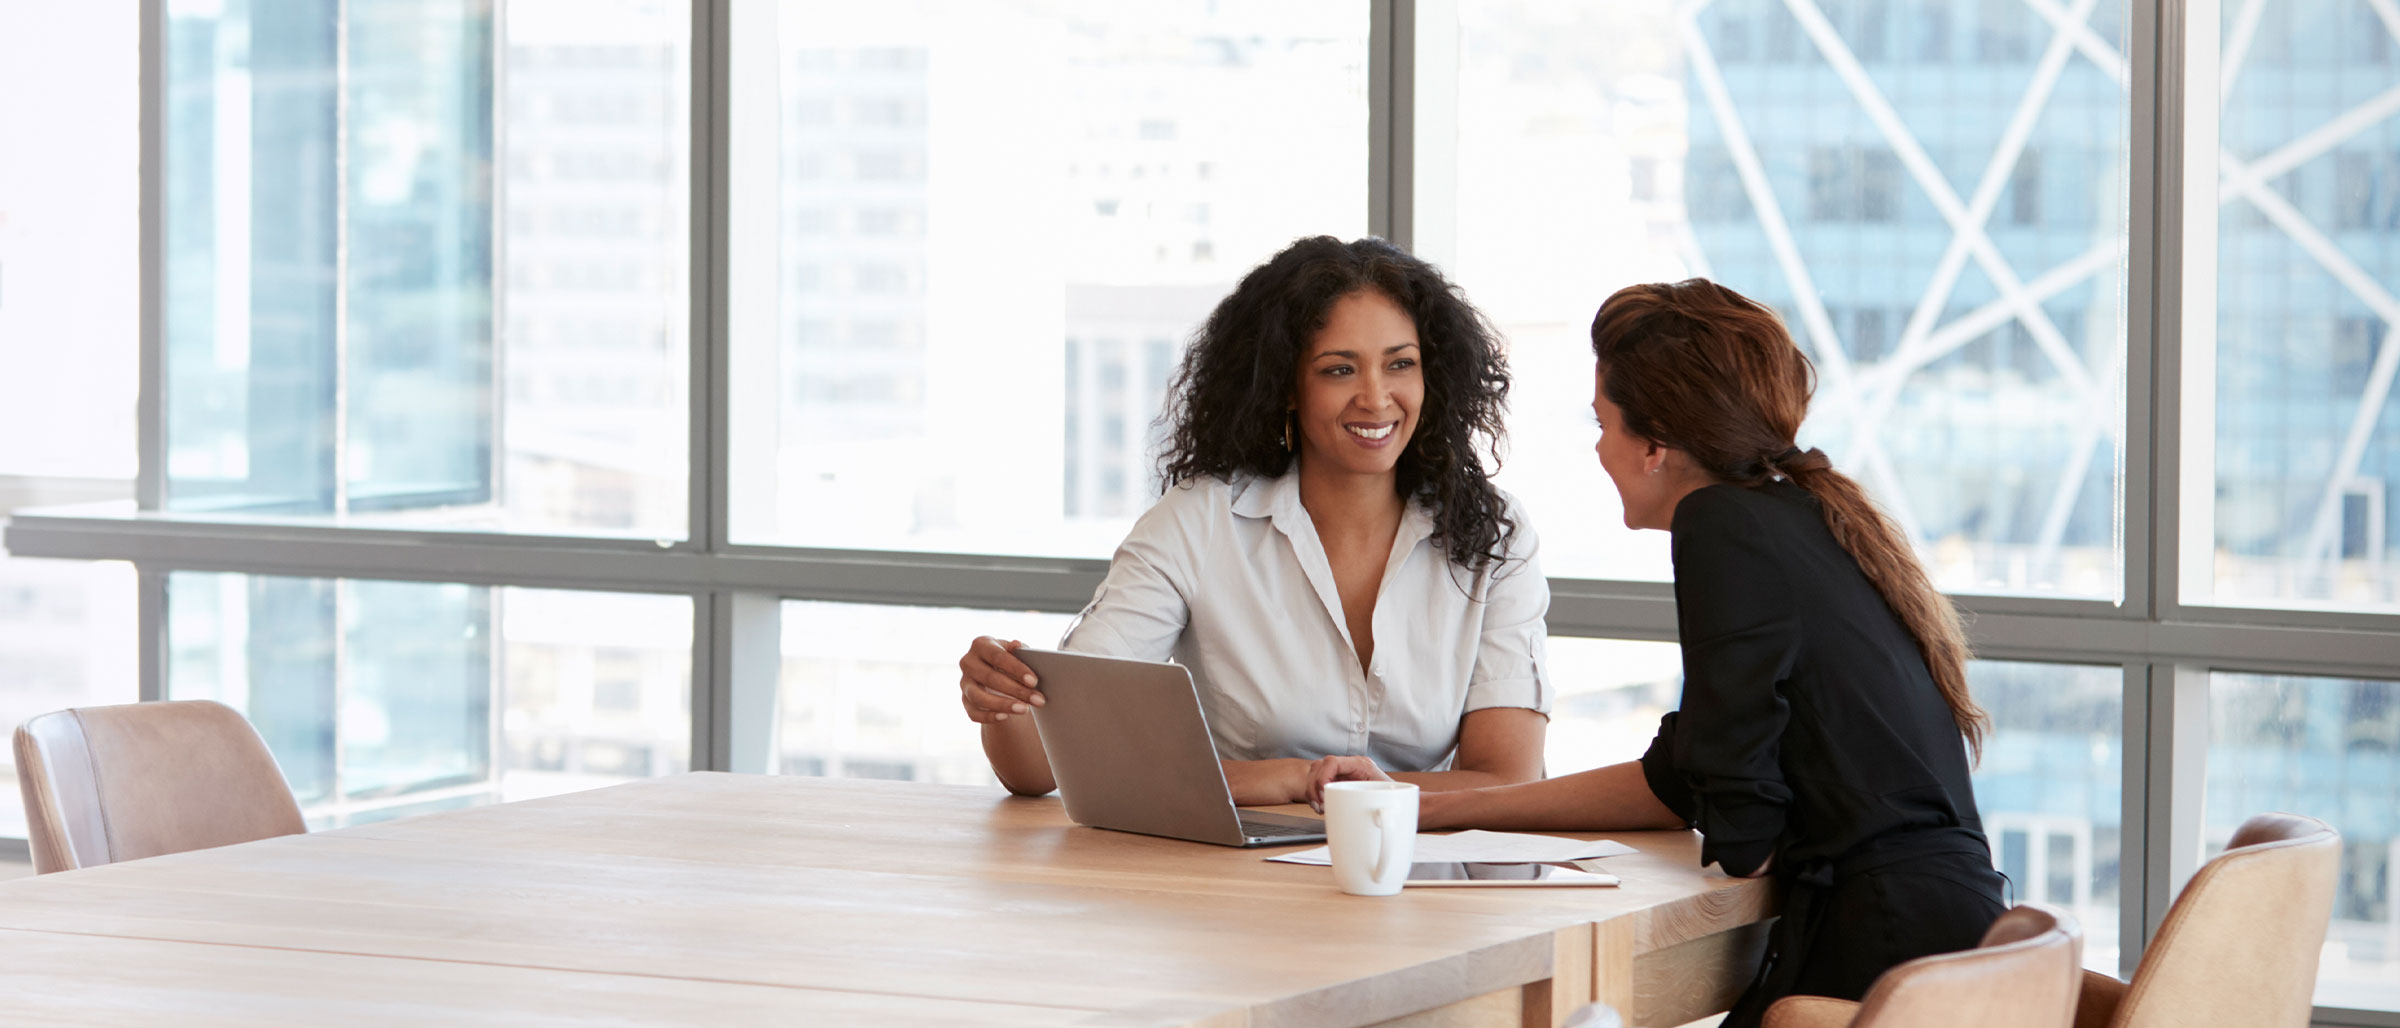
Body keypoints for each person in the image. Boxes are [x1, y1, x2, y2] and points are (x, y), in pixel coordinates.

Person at [1312, 279, 2003, 1027]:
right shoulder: (1796, 516)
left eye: (1602, 422)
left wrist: (1739, 810)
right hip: (1944, 938)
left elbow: (1743, 829)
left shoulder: (1721, 525)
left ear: (1656, 446)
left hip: (1881, 957)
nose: (1599, 446)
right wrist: (1421, 806)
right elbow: (1676, 781)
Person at [956, 235, 1552, 807]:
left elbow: (1507, 778)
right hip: (1233, 883)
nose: (1375, 397)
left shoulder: (1493, 536)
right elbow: (1042, 763)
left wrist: (1329, 790)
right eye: (1339, 370)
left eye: (1400, 364)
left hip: (1420, 878)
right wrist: (1002, 695)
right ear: (1287, 386)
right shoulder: (1200, 522)